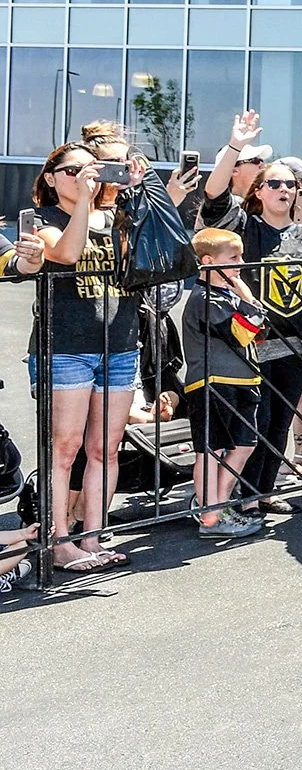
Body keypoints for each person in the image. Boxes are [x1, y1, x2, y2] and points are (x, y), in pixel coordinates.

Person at [26, 140, 147, 572]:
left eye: (91, 170)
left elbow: (155, 256)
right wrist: (84, 204)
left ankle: (92, 537)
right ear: (52, 178)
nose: (85, 177)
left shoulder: (119, 218)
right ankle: (58, 542)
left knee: (105, 449)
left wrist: (139, 188)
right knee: (65, 449)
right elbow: (66, 254)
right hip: (66, 348)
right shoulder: (41, 219)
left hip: (118, 344)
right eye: (74, 171)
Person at [223, 161, 302, 520]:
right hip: (255, 339)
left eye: (290, 184)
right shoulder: (247, 229)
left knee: (281, 421)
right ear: (258, 191)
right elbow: (214, 207)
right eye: (273, 183)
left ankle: (266, 491)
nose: (283, 190)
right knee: (259, 419)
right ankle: (246, 497)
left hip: (295, 340)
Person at [181, 228, 266, 539]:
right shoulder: (203, 299)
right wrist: (248, 299)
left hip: (244, 378)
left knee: (245, 444)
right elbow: (242, 332)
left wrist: (247, 303)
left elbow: (259, 329)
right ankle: (211, 515)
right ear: (208, 262)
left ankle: (217, 504)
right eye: (234, 258)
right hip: (213, 382)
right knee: (211, 450)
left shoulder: (228, 295)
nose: (240, 264)